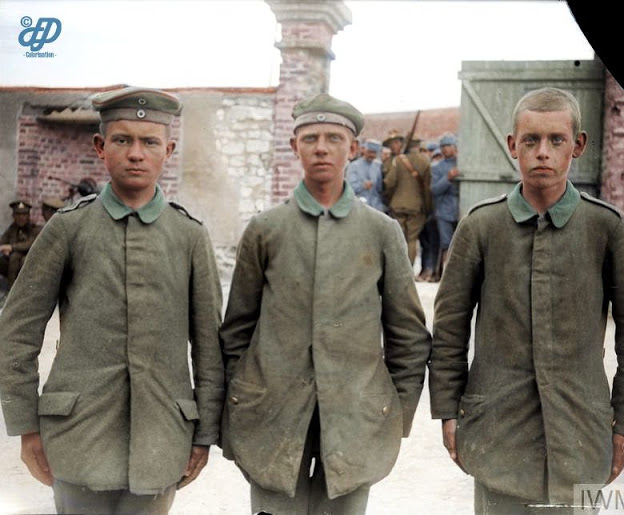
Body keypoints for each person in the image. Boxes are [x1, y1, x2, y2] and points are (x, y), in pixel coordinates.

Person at [0, 86, 225, 515]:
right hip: (77, 438)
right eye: (122, 140)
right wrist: (26, 426)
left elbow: (210, 348)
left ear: (168, 151)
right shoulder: (69, 228)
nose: (136, 153)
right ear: (100, 147)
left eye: (150, 142)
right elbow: (16, 331)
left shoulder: (189, 236)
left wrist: (204, 434)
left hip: (161, 439)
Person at [428, 87, 624, 513]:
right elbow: (449, 328)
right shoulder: (480, 226)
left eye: (556, 139)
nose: (543, 152)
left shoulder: (608, 229)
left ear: (577, 145)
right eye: (531, 140)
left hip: (582, 433)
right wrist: (448, 410)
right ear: (512, 145)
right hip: (497, 432)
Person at [219, 93, 431, 515]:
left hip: (356, 418)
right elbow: (237, 331)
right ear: (294, 146)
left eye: (334, 138)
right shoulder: (266, 229)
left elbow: (408, 336)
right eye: (310, 138)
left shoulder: (381, 231)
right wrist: (242, 403)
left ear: (353, 149)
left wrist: (394, 413)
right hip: (273, 415)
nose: (321, 148)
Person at [382, 129, 431, 267]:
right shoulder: (425, 161)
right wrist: (428, 207)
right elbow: (427, 188)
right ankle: (408, 269)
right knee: (412, 240)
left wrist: (390, 199)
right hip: (416, 207)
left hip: (397, 205)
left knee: (399, 239)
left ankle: (399, 269)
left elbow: (389, 183)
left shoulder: (398, 160)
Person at [430, 133, 459, 270]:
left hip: (462, 209)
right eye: (443, 146)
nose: (445, 149)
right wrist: (447, 178)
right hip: (443, 210)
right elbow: (434, 189)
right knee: (446, 244)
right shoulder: (436, 167)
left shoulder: (463, 164)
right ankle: (444, 274)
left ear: (455, 147)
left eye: (448, 146)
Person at [0, 200, 41, 295]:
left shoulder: (34, 229)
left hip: (28, 260)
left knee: (16, 257)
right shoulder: (12, 228)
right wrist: (3, 248)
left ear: (28, 216)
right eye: (18, 215)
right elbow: (3, 241)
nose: (21, 218)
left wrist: (11, 247)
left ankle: (15, 292)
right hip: (12, 262)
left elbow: (29, 244)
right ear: (13, 216)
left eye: (24, 215)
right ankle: (10, 291)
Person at [416, 142, 442, 282]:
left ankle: (431, 270)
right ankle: (426, 269)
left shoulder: (434, 169)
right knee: (426, 243)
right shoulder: (427, 169)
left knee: (433, 243)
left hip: (435, 211)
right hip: (426, 211)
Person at [346, 139, 386, 212]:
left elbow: (380, 189)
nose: (372, 155)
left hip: (376, 206)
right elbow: (349, 188)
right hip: (358, 205)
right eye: (370, 152)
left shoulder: (378, 166)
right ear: (364, 150)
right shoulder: (354, 166)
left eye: (374, 153)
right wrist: (363, 186)